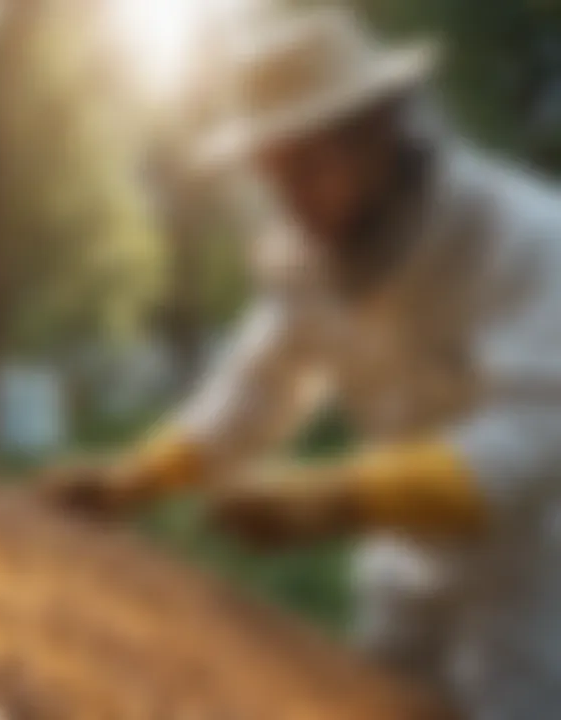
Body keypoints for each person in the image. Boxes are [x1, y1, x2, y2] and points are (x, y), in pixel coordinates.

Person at [42, 7, 561, 718]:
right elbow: (257, 388)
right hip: (404, 567)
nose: (290, 201)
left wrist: (339, 498)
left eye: (308, 167)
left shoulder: (528, 240)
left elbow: (530, 444)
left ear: (378, 129)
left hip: (531, 579)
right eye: (273, 175)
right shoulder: (304, 256)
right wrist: (139, 477)